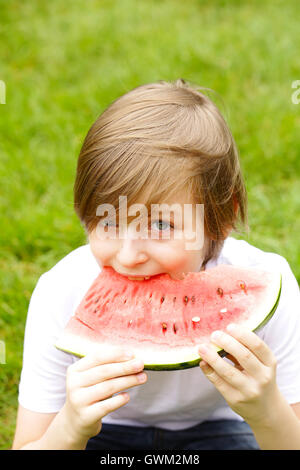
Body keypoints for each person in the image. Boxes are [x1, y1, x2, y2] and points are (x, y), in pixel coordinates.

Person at [12, 79, 300, 450]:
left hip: (221, 428)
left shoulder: (269, 283)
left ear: (220, 219)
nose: (129, 255)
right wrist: (69, 427)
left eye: (161, 225)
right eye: (109, 223)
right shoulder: (62, 291)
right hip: (100, 430)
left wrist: (267, 412)